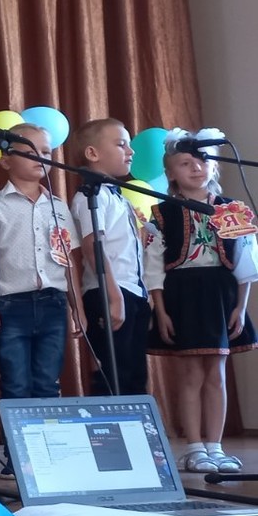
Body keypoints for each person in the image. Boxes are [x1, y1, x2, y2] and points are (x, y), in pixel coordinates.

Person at [146, 127, 258, 473]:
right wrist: (160, 311)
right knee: (191, 373)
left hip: (220, 294)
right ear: (171, 173)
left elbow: (246, 261)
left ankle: (215, 446)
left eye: (202, 161)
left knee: (217, 373)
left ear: (214, 166)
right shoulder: (161, 213)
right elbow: (152, 266)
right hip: (183, 294)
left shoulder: (232, 210)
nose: (196, 167)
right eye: (185, 163)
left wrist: (241, 307)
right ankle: (194, 447)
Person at [0, 124, 75, 479]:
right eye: (30, 150)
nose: (41, 158)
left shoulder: (59, 207)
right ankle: (18, 458)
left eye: (46, 152)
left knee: (47, 382)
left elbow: (68, 260)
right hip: (11, 305)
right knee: (15, 383)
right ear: (5, 160)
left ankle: (49, 457)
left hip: (53, 302)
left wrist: (76, 308)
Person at [68, 118, 151, 397]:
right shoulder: (90, 196)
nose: (131, 151)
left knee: (135, 374)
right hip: (109, 291)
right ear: (92, 154)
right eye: (121, 144)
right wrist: (113, 295)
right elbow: (93, 246)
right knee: (114, 374)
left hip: (132, 291)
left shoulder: (119, 197)